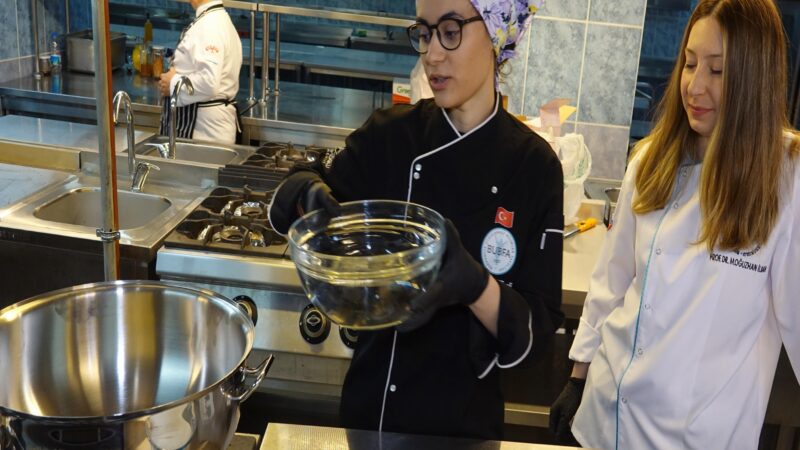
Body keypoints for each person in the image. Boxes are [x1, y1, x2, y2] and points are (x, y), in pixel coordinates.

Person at [268, 0, 563, 440]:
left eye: (450, 32)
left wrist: (475, 286)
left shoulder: (533, 167)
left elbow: (535, 340)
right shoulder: (391, 135)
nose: (432, 54)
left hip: (464, 432)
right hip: (370, 418)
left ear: (496, 35)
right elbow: (292, 196)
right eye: (424, 33)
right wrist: (305, 191)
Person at [548, 0, 800, 448]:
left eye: (717, 70)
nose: (695, 86)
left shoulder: (786, 176)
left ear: (755, 77)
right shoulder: (652, 158)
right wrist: (578, 374)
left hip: (700, 437)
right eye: (689, 63)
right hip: (609, 416)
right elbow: (611, 281)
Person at [158, 0, 242, 144]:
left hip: (203, 132)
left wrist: (172, 84)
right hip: (203, 129)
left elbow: (209, 82)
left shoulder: (210, 25)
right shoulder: (213, 19)